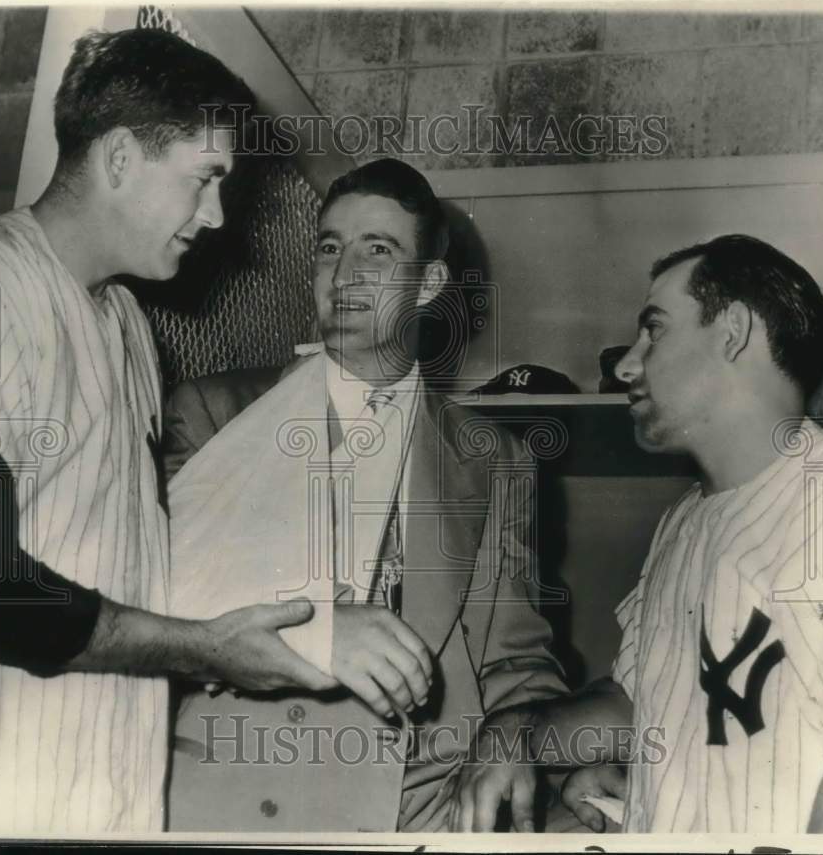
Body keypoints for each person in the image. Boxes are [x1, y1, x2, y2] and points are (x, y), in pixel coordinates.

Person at [0, 27, 338, 837]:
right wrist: (204, 648)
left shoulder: (128, 322)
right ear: (121, 157)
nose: (217, 215)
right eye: (205, 178)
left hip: (111, 788)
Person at [162, 158, 568, 832]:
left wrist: (548, 747)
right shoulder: (215, 412)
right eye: (330, 248)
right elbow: (149, 604)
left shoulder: (494, 459)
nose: (344, 274)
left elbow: (514, 664)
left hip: (416, 811)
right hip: (242, 800)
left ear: (429, 283)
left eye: (377, 251)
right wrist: (315, 629)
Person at [506, 234, 823, 833]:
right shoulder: (685, 520)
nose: (626, 365)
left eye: (655, 330)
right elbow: (639, 701)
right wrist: (517, 737)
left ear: (732, 332)